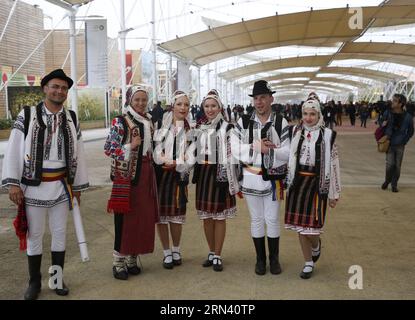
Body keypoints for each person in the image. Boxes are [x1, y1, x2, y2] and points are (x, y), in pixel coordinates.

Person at [1, 69, 89, 300]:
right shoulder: (28, 114)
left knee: (60, 233)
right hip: (33, 187)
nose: (59, 91)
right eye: (55, 86)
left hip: (61, 186)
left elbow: (79, 151)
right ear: (45, 88)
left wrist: (77, 186)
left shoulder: (72, 117)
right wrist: (13, 184)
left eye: (64, 88)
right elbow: (13, 149)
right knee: (35, 235)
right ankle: (34, 283)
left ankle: (57, 280)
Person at [231, 80, 290, 276]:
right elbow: (234, 148)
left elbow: (288, 152)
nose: (259, 102)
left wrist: (267, 151)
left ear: (271, 99)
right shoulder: (243, 122)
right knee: (256, 219)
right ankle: (260, 260)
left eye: (263, 97)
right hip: (250, 177)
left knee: (272, 219)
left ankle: (274, 259)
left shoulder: (281, 122)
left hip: (274, 180)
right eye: (256, 98)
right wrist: (253, 148)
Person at [104, 85, 159, 280]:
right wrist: (130, 146)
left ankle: (132, 259)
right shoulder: (121, 121)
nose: (141, 103)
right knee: (125, 219)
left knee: (141, 218)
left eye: (144, 99)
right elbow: (109, 148)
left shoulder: (149, 120)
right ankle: (118, 261)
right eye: (137, 99)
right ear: (129, 100)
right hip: (126, 177)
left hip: (145, 174)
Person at [285, 97, 341, 279]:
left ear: (319, 115)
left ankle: (316, 245)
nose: (308, 118)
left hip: (318, 185)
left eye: (312, 114)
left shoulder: (328, 135)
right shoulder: (295, 131)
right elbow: (287, 155)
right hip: (298, 183)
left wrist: (334, 193)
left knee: (313, 229)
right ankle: (308, 262)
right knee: (301, 228)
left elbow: (334, 165)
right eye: (305, 114)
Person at [187, 89, 239, 272]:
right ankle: (210, 251)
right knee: (206, 218)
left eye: (213, 106)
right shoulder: (200, 127)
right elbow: (192, 152)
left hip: (220, 176)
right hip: (204, 176)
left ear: (220, 107)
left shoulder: (228, 128)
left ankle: (218, 254)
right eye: (207, 106)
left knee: (219, 217)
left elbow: (234, 155)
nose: (210, 109)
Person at [153, 90, 192, 269]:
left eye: (186, 105)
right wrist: (168, 160)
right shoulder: (161, 125)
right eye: (179, 104)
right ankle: (166, 252)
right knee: (161, 217)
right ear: (173, 105)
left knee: (176, 217)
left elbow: (191, 159)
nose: (183, 108)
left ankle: (176, 249)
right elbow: (155, 152)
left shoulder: (191, 130)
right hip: (161, 177)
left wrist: (175, 163)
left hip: (178, 178)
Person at [381, 93, 414, 192]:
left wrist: (405, 140)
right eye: (393, 100)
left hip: (400, 144)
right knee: (390, 164)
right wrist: (382, 124)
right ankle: (387, 181)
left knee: (397, 166)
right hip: (389, 143)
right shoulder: (388, 113)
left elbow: (411, 131)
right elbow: (381, 122)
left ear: (400, 104)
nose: (392, 102)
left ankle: (394, 184)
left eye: (395, 100)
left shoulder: (408, 116)